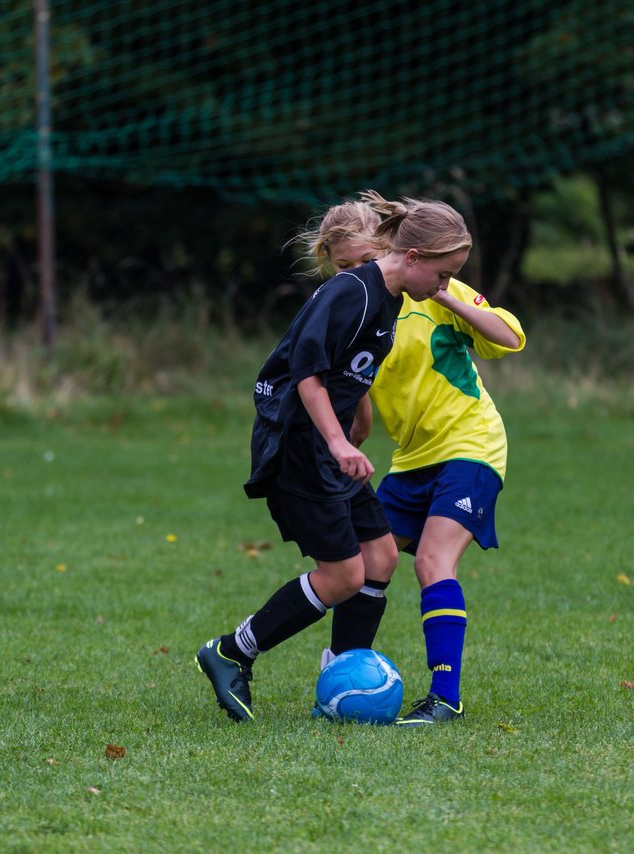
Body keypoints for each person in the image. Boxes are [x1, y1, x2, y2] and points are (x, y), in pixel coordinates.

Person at [195, 191, 472, 722]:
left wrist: (359, 420)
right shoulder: (351, 291)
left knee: (382, 556)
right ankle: (232, 652)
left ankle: (342, 677)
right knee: (344, 575)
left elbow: (349, 367)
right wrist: (339, 440)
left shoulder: (388, 296)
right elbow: (307, 374)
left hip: (328, 445)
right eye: (442, 276)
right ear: (411, 258)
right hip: (299, 443)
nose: (444, 288)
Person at [299, 196, 526, 726]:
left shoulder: (432, 288)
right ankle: (338, 677)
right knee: (365, 562)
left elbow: (510, 337)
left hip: (471, 444)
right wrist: (348, 438)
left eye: (364, 261)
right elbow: (356, 391)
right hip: (411, 459)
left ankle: (445, 698)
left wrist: (450, 299)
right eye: (344, 266)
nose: (355, 274)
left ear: (396, 249)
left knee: (430, 561)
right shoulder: (358, 308)